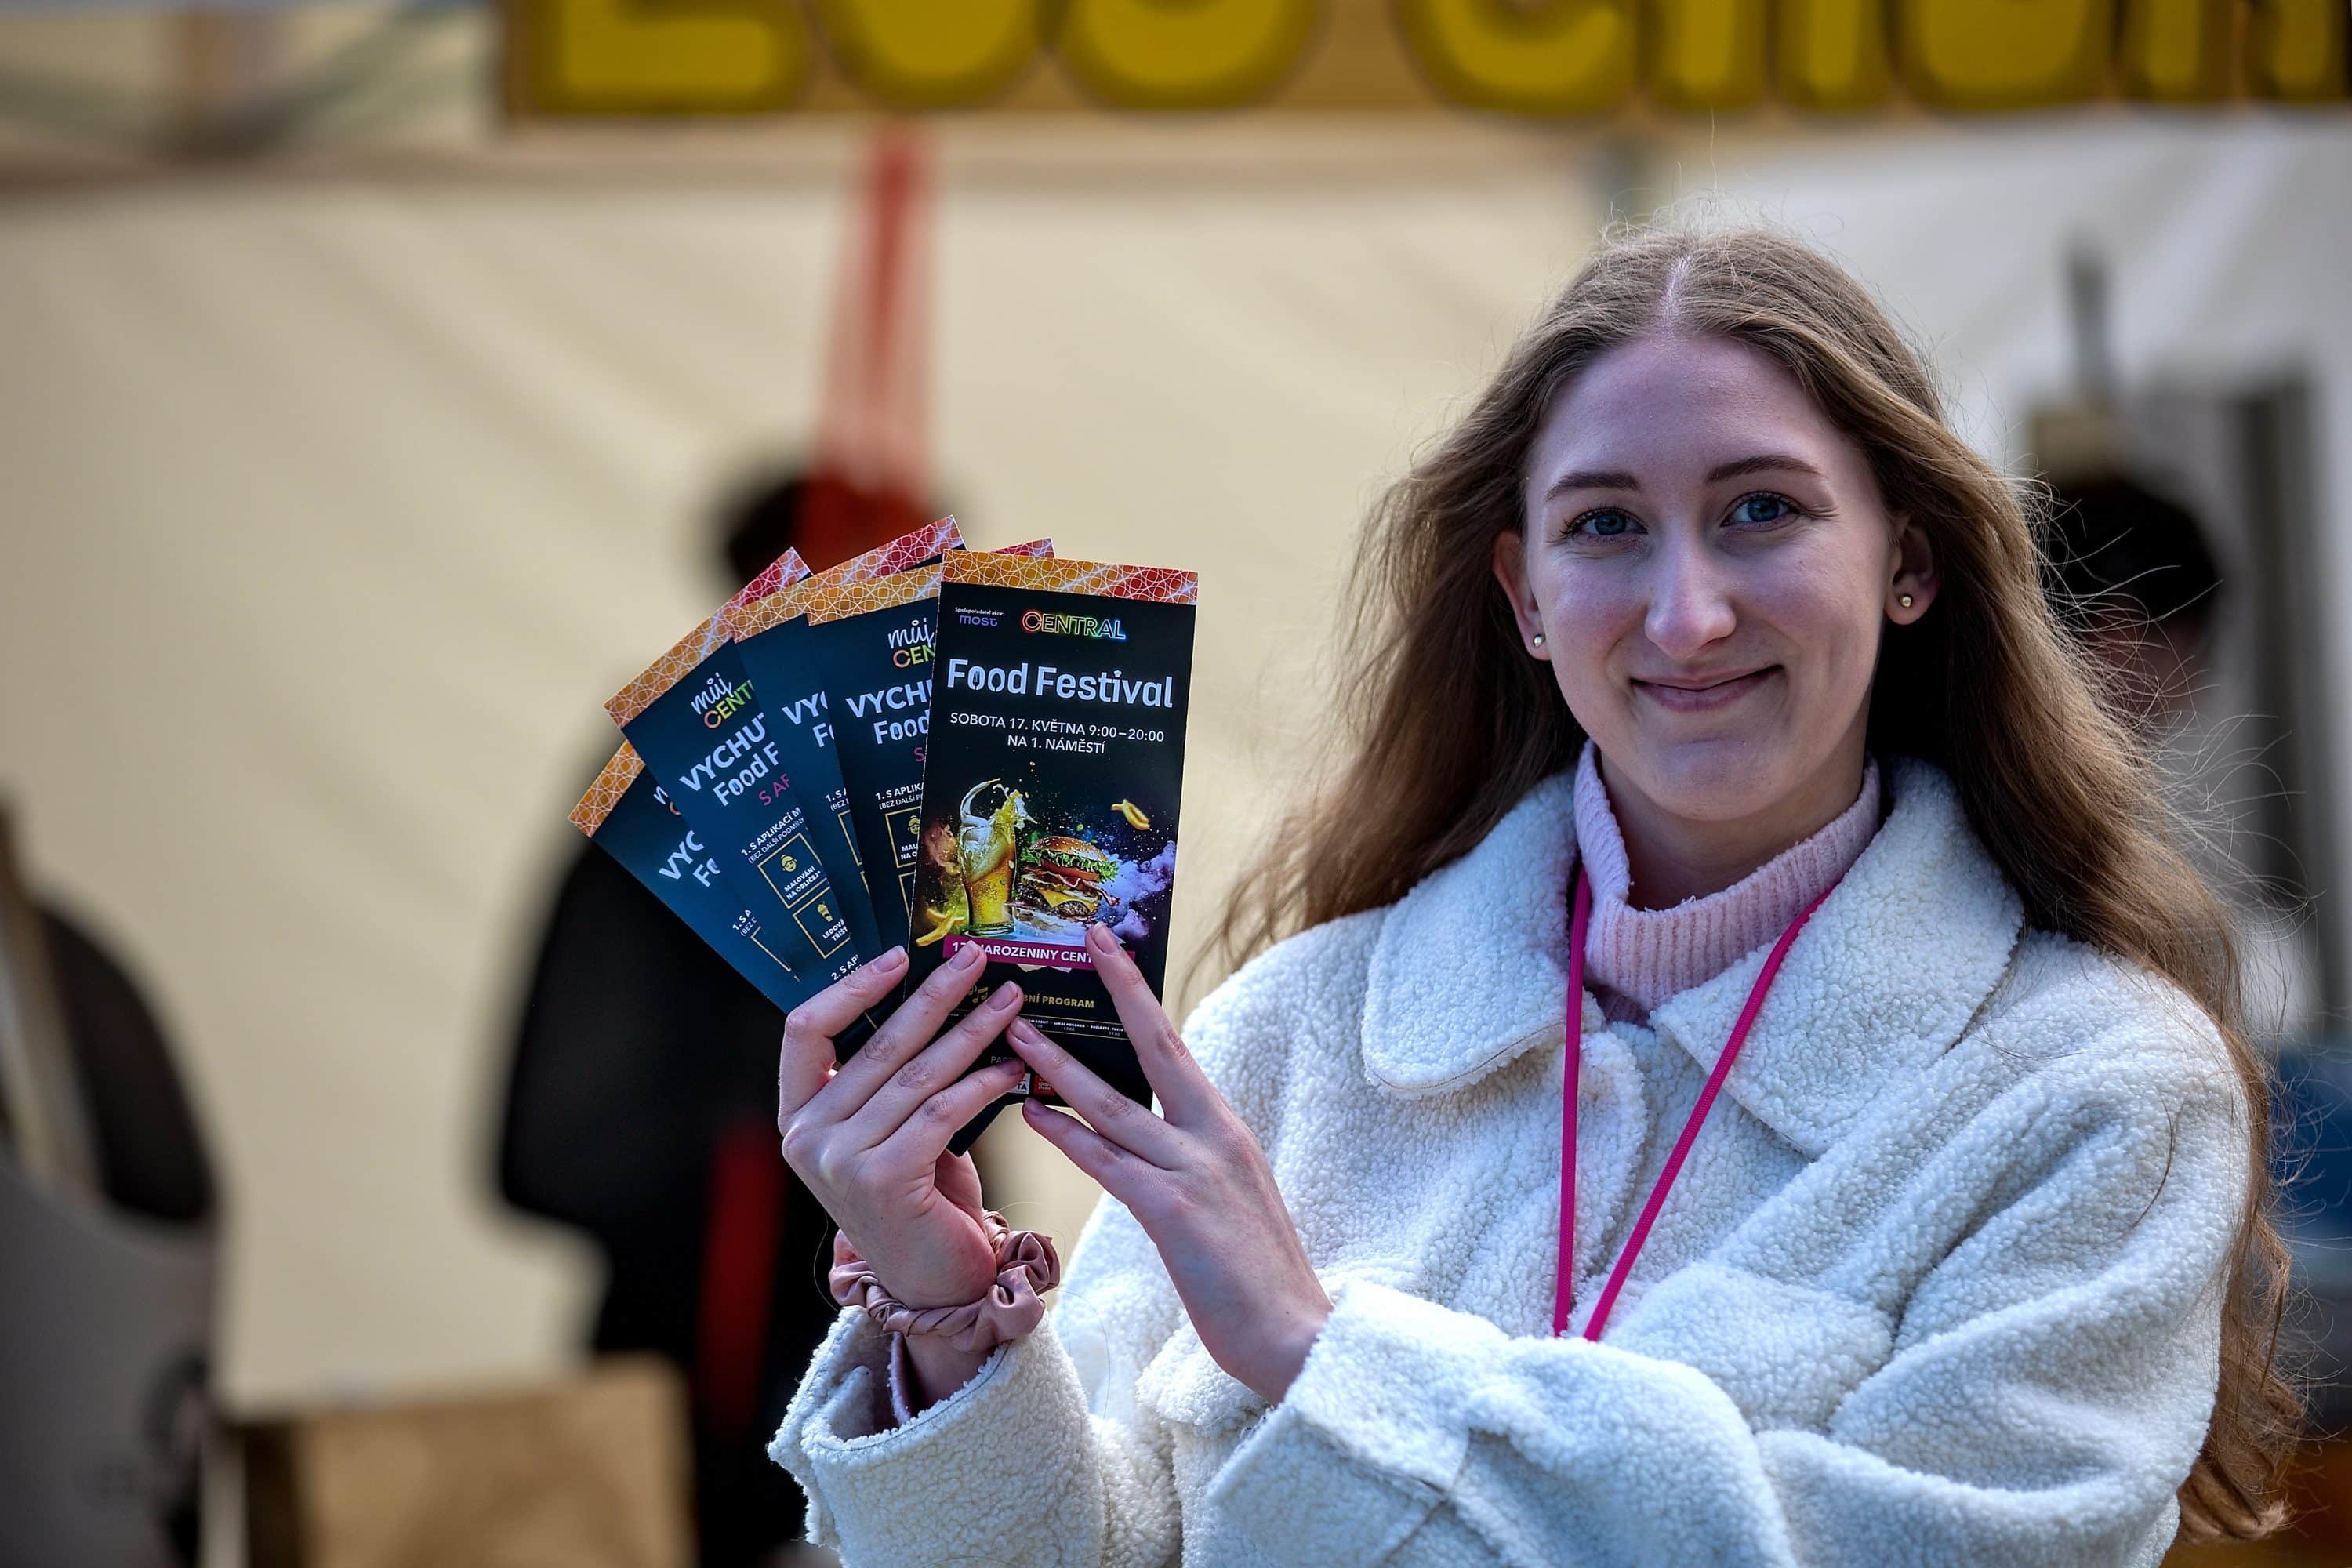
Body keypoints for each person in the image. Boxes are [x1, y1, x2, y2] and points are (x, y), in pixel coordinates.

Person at [764, 223, 2299, 1565]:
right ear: (1524, 597)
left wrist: (1322, 1352)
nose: (1686, 614)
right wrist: (947, 1318)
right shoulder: (1295, 1030)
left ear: (1911, 559)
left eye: (1764, 509)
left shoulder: (2095, 1090)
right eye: (1605, 525)